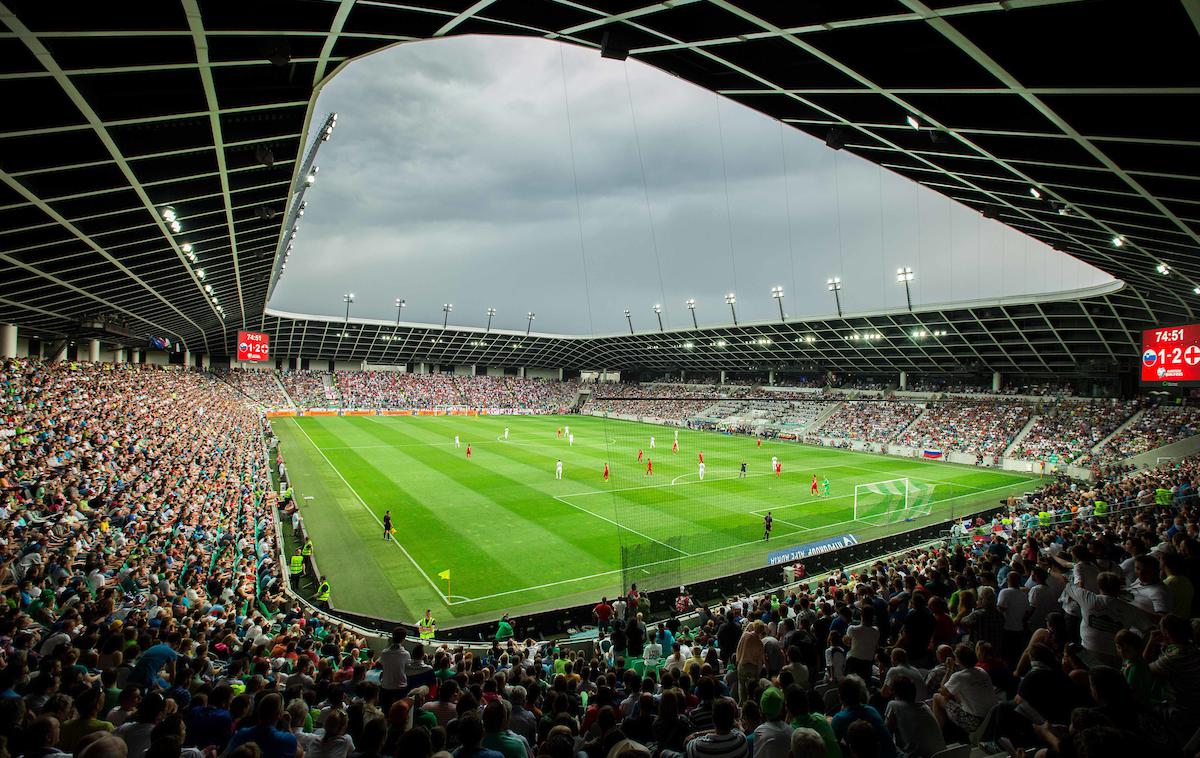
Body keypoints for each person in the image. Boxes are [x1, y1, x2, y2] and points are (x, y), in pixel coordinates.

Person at [379, 627, 411, 710]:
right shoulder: (406, 654)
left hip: (386, 687)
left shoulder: (384, 653)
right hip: (400, 689)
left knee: (386, 711)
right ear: (403, 639)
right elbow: (407, 670)